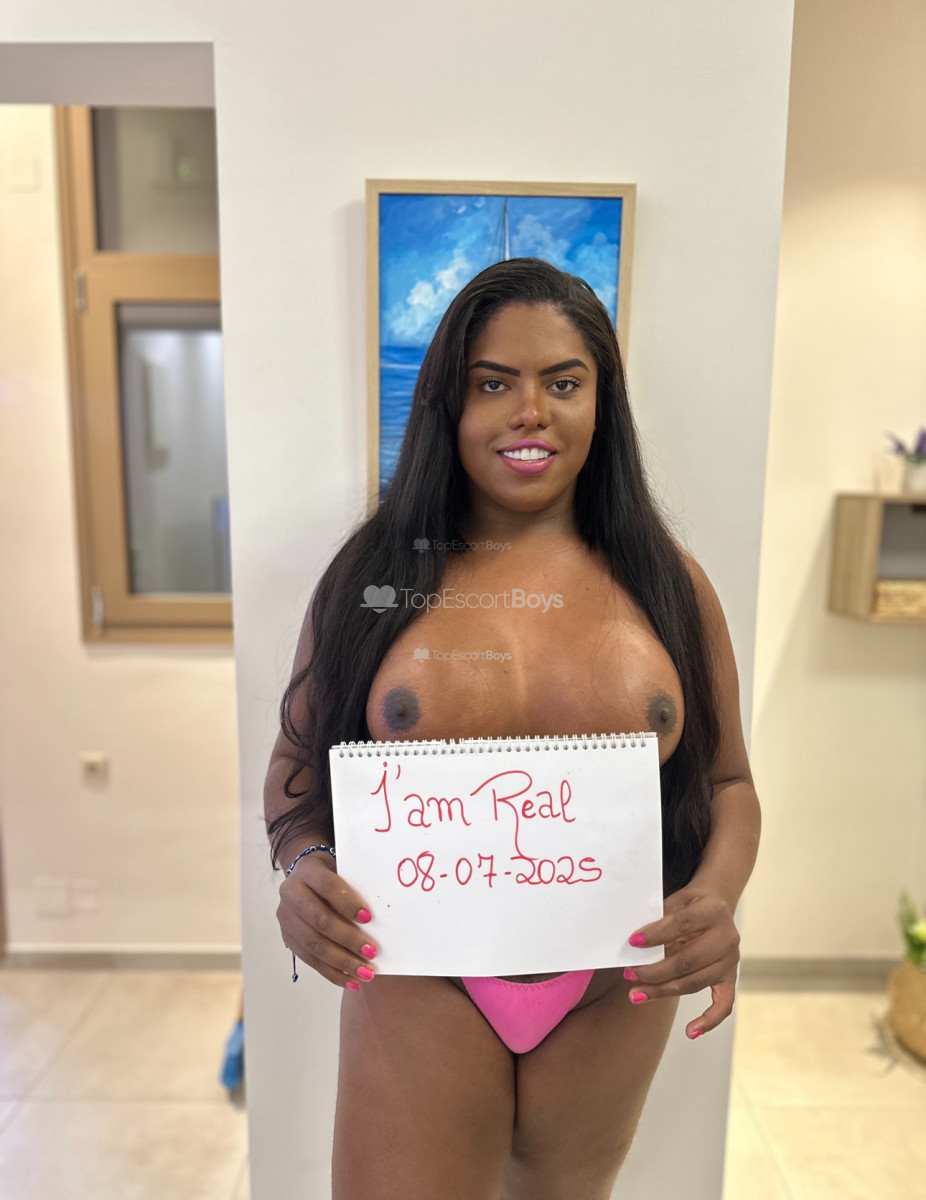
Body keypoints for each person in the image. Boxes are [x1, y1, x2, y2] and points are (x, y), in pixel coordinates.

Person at [266, 256, 761, 1199]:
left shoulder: (668, 583)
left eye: (563, 384)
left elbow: (729, 782)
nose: (530, 412)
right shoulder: (376, 580)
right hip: (420, 969)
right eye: (493, 384)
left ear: (602, 404)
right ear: (448, 406)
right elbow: (296, 763)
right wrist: (304, 866)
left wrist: (717, 895)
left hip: (614, 980)